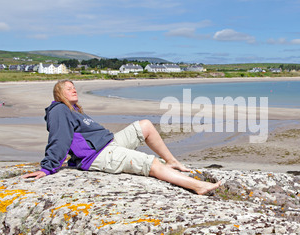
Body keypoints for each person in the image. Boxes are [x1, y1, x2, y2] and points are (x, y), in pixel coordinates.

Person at [21, 80, 221, 195]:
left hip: (109, 143)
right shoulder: (59, 111)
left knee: (145, 126)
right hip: (98, 155)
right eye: (67, 88)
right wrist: (48, 168)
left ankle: (172, 161)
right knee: (149, 162)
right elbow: (60, 138)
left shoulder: (73, 110)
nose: (73, 89)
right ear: (59, 94)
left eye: (74, 87)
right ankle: (199, 187)